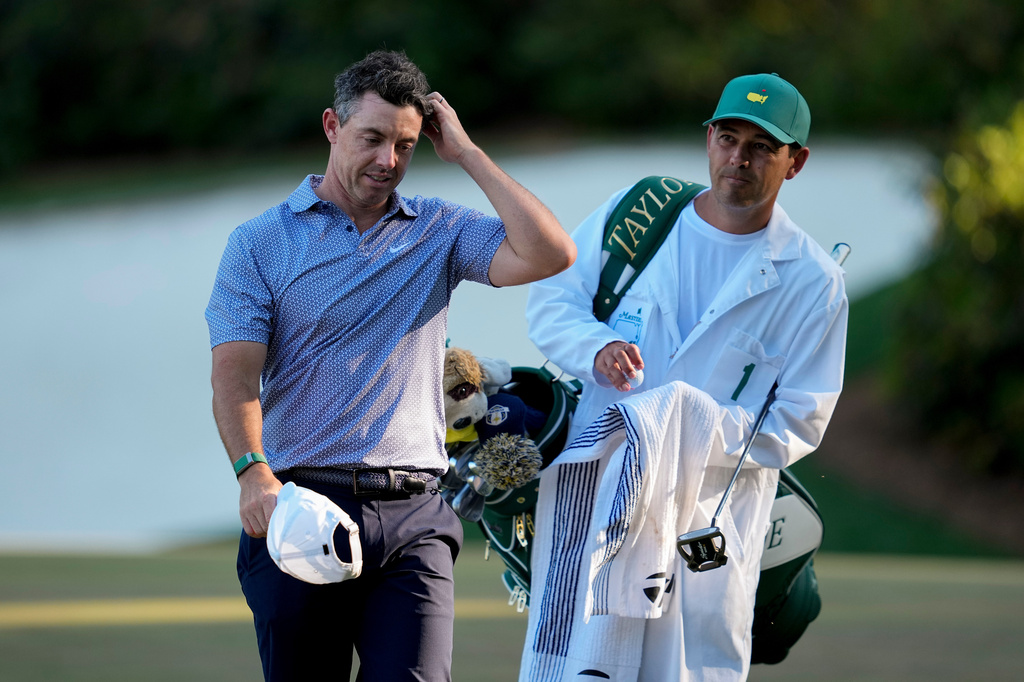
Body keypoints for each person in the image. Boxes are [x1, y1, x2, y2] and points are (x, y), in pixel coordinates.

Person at [205, 50, 575, 682]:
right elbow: (235, 379)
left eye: (406, 145)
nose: (388, 161)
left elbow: (549, 253)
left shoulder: (438, 228)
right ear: (331, 127)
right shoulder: (258, 244)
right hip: (302, 508)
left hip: (415, 519)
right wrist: (251, 473)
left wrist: (466, 154)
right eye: (371, 139)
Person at [521, 73, 848, 681]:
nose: (739, 159)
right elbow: (550, 302)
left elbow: (800, 420)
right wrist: (597, 348)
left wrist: (686, 423)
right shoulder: (639, 214)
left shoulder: (813, 282)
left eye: (761, 147)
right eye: (728, 137)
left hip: (707, 527)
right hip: (597, 508)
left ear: (795, 162)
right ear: (708, 139)